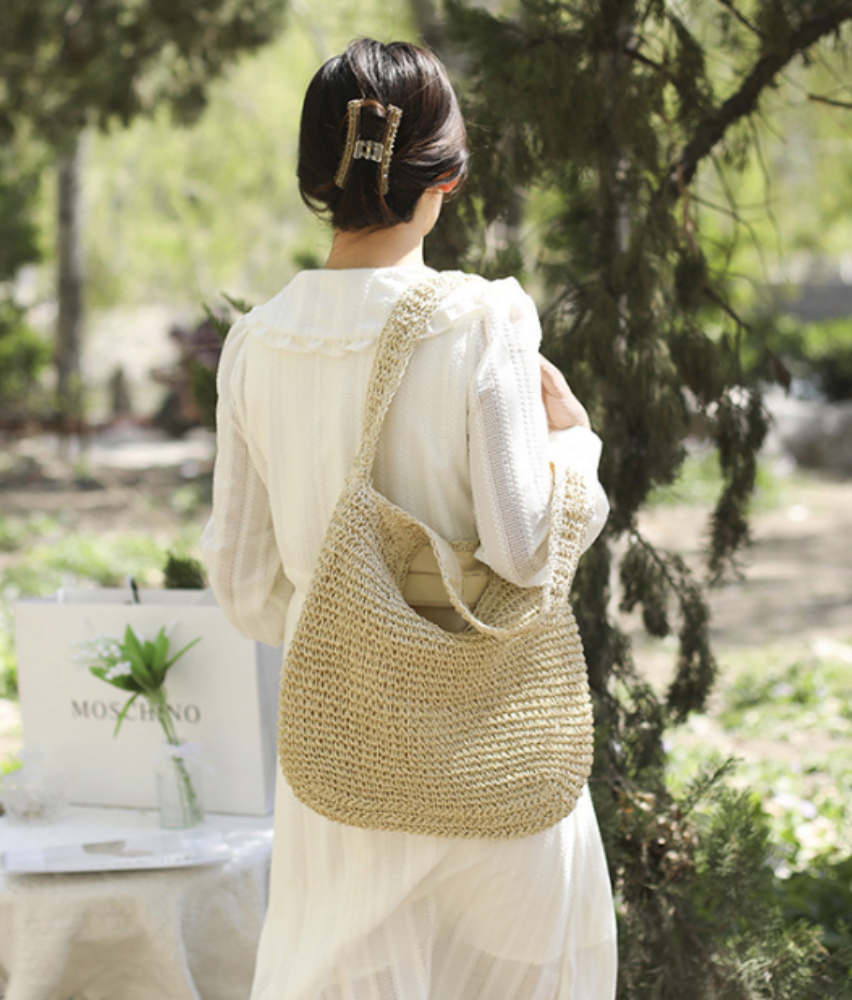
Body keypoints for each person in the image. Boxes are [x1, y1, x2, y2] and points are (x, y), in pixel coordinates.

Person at [201, 37, 617, 1000]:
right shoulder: (482, 323)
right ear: (452, 177)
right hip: (494, 738)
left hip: (346, 746)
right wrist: (579, 449)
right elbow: (522, 548)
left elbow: (246, 586)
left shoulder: (254, 345)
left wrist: (349, 610)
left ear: (315, 179)